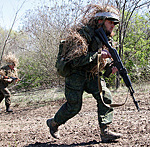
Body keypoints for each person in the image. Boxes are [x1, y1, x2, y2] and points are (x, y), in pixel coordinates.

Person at [47, 4, 122, 142]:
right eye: (110, 22)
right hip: (76, 74)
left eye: (114, 24)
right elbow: (75, 61)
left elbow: (102, 68)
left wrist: (110, 69)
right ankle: (53, 123)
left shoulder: (107, 39)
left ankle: (105, 131)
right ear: (100, 21)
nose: (113, 26)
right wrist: (99, 55)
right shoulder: (82, 35)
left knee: (105, 96)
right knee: (74, 107)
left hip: (92, 75)